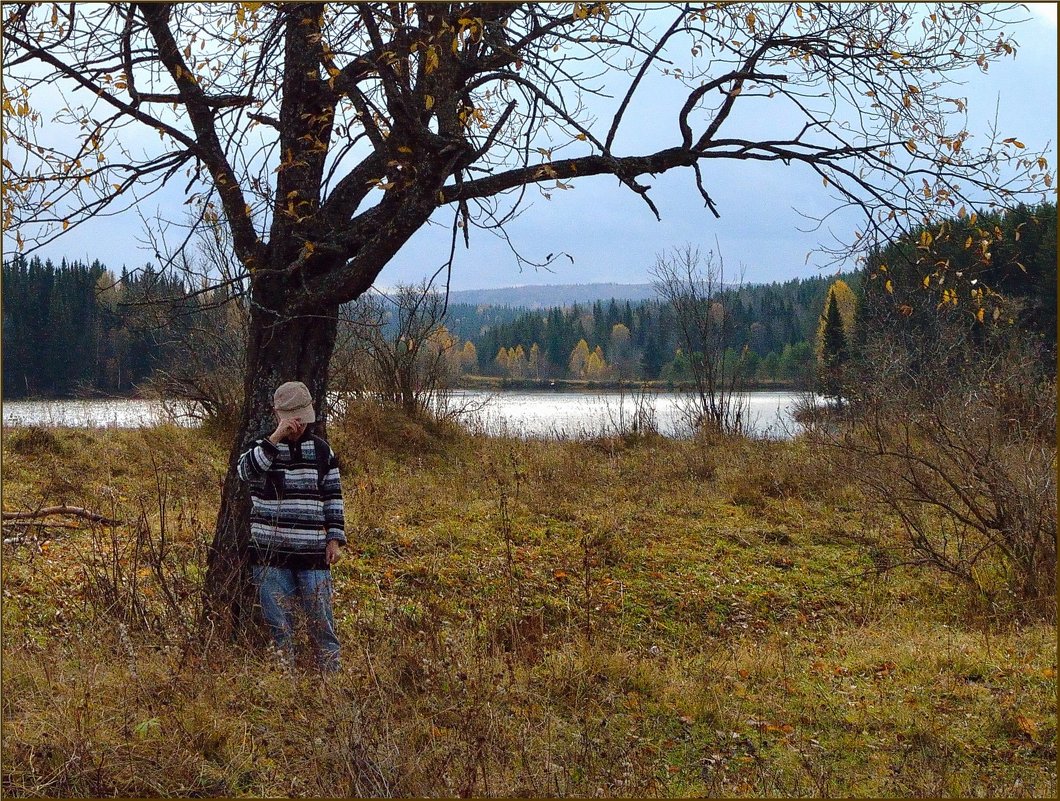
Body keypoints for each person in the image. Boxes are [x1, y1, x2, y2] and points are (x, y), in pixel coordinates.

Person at [237, 380, 346, 671]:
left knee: (322, 625)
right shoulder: (260, 449)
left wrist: (334, 539)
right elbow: (245, 472)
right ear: (278, 414)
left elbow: (333, 496)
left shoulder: (323, 451)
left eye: (301, 417)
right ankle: (286, 684)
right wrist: (274, 439)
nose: (297, 424)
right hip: (270, 556)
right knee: (279, 627)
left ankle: (329, 680)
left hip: (312, 556)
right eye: (291, 417)